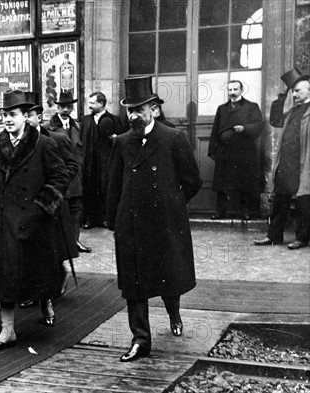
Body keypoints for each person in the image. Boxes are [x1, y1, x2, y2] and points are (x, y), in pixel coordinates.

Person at [106, 76, 202, 362]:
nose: (134, 115)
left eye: (139, 109)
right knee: (134, 283)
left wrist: (172, 205)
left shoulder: (173, 138)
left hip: (164, 223)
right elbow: (113, 185)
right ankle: (140, 340)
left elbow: (193, 180)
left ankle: (174, 313)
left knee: (168, 276)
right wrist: (114, 222)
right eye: (130, 110)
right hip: (132, 224)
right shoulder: (122, 143)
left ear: (153, 109)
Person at [0, 90, 70, 351]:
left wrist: (41, 207)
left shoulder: (43, 144)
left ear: (26, 117)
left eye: (12, 115)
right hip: (4, 223)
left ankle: (45, 303)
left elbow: (60, 177)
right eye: (4, 115)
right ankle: (7, 330)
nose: (7, 120)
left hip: (35, 222)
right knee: (6, 278)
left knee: (38, 274)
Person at [22, 92, 79, 321]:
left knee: (50, 250)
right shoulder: (14, 142)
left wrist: (55, 187)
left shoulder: (56, 139)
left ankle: (48, 293)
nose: (26, 120)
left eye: (30, 115)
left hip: (51, 204)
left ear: (39, 117)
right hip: (26, 207)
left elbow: (71, 166)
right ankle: (31, 292)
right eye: (22, 115)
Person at [254, 68, 310, 250]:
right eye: (293, 91)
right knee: (280, 200)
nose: (295, 94)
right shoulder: (292, 112)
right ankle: (273, 236)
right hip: (287, 162)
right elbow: (275, 120)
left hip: (304, 162)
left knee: (304, 203)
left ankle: (302, 238)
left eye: (298, 91)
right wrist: (282, 96)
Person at [208, 80, 264, 220]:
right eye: (230, 90)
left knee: (244, 182)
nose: (232, 92)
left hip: (243, 151)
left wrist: (244, 128)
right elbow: (215, 129)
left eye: (235, 89)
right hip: (224, 151)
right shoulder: (222, 109)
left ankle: (245, 212)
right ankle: (220, 211)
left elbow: (258, 126)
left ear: (241, 90)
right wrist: (213, 149)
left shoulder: (251, 107)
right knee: (221, 183)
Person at [43, 91, 90, 253]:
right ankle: (60, 243)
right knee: (59, 211)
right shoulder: (48, 127)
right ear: (57, 107)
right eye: (62, 106)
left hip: (75, 177)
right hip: (60, 177)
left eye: (69, 107)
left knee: (76, 210)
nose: (65, 110)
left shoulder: (76, 126)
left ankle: (74, 241)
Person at [81, 91, 125, 228]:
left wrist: (115, 138)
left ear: (101, 103)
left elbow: (122, 139)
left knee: (106, 188)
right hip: (90, 161)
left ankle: (104, 218)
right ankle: (89, 219)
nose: (90, 105)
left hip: (106, 161)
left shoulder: (114, 119)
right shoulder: (86, 120)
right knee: (89, 187)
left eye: (92, 103)